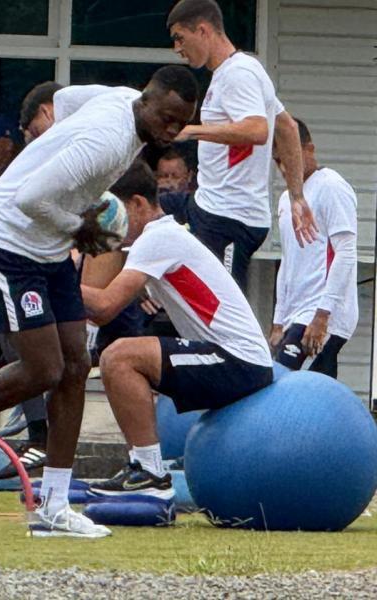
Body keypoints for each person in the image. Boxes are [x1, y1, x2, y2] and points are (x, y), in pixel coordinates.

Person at [0, 65, 199, 538]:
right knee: (44, 369)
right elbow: (28, 198)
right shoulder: (104, 142)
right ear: (147, 100)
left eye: (180, 122)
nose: (171, 130)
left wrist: (60, 161)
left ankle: (53, 508)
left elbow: (61, 103)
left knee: (75, 365)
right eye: (166, 117)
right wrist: (80, 226)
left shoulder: (118, 97)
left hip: (45, 247)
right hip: (5, 238)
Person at [81, 161, 273, 499]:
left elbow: (104, 306)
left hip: (241, 362)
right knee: (121, 356)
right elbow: (99, 304)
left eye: (112, 211)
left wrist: (46, 281)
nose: (106, 221)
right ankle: (142, 467)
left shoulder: (158, 239)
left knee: (119, 357)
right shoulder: (157, 239)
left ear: (138, 204)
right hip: (230, 358)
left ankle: (150, 472)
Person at [167, 0, 316, 289]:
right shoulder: (238, 71)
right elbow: (287, 127)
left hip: (229, 218)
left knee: (219, 312)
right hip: (207, 205)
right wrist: (297, 196)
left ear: (203, 30)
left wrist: (193, 131)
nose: (177, 49)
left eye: (180, 38)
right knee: (144, 208)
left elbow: (258, 130)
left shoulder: (239, 74)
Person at [270, 119, 358, 379]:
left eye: (290, 157)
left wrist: (322, 316)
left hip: (322, 313)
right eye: (278, 161)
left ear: (309, 149)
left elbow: (345, 252)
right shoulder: (287, 198)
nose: (285, 168)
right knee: (311, 388)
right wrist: (278, 320)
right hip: (296, 313)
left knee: (284, 383)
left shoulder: (331, 186)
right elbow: (288, 261)